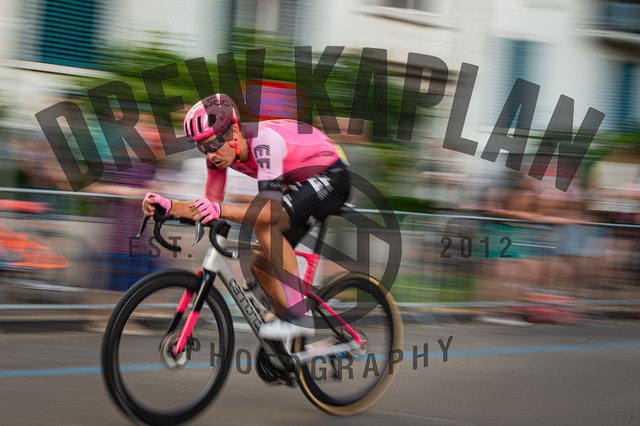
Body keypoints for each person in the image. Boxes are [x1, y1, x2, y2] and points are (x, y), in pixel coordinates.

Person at [142, 93, 351, 340]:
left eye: (211, 145)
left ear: (233, 132)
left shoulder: (264, 143)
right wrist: (169, 207)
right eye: (202, 148)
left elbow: (268, 211)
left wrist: (220, 210)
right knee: (259, 265)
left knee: (265, 226)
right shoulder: (220, 156)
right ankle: (290, 338)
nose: (209, 155)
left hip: (333, 175)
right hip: (302, 181)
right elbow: (209, 205)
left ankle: (298, 317)